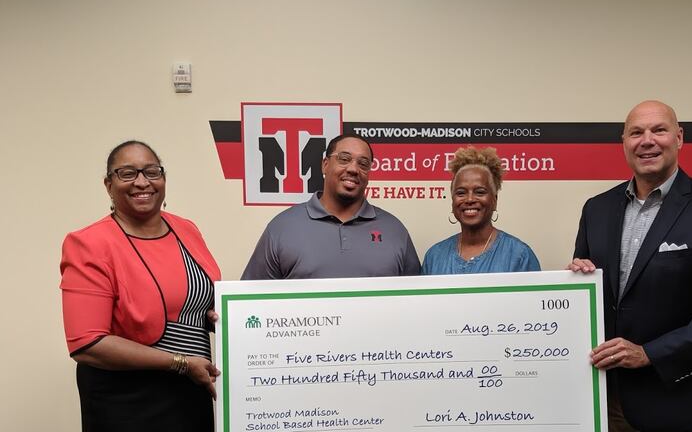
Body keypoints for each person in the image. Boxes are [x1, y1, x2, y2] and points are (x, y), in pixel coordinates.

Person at [568, 101, 692, 432]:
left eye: (659, 130)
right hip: (602, 403)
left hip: (676, 403)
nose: (647, 140)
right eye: (636, 132)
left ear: (679, 138)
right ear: (624, 142)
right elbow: (591, 300)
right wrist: (577, 281)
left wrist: (648, 353)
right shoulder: (596, 209)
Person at [60, 140, 221, 431]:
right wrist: (182, 362)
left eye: (151, 171)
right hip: (129, 401)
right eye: (127, 173)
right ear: (109, 185)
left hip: (192, 392)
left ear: (163, 179)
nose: (142, 182)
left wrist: (215, 319)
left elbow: (191, 303)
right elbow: (87, 344)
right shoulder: (89, 244)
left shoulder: (186, 229)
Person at [241, 133, 420, 279]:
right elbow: (249, 301)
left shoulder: (395, 231)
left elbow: (419, 302)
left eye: (363, 164)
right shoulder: (282, 228)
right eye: (344, 159)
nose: (353, 169)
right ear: (325, 165)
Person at [422, 146, 540, 274]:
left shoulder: (519, 256)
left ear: (494, 200)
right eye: (461, 193)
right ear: (452, 201)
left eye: (480, 192)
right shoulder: (434, 257)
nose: (470, 199)